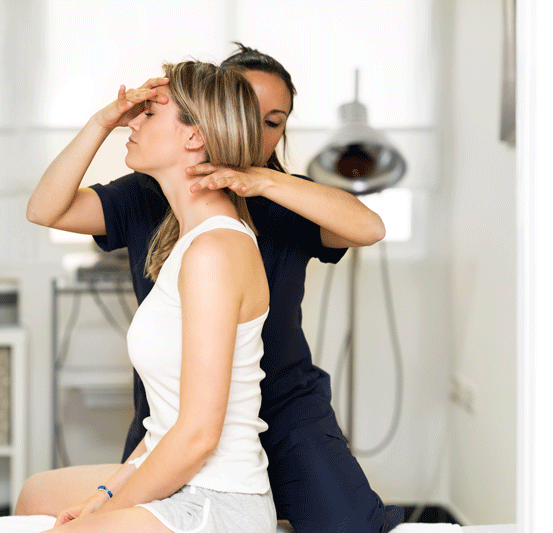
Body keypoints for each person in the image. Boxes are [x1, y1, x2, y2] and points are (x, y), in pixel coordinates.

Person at [20, 44, 404, 532]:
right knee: (39, 495)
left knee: (344, 521)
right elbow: (44, 210)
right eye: (243, 108)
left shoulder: (264, 214)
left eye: (272, 120)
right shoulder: (154, 200)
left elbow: (368, 227)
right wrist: (103, 121)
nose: (251, 127)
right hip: (175, 416)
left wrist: (261, 181)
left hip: (280, 409)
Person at [24, 60, 277, 533]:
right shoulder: (186, 240)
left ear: (194, 136)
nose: (133, 121)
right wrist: (105, 494)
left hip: (215, 500)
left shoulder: (214, 251)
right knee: (36, 495)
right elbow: (42, 208)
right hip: (174, 471)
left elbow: (199, 436)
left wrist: (106, 511)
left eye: (149, 114)